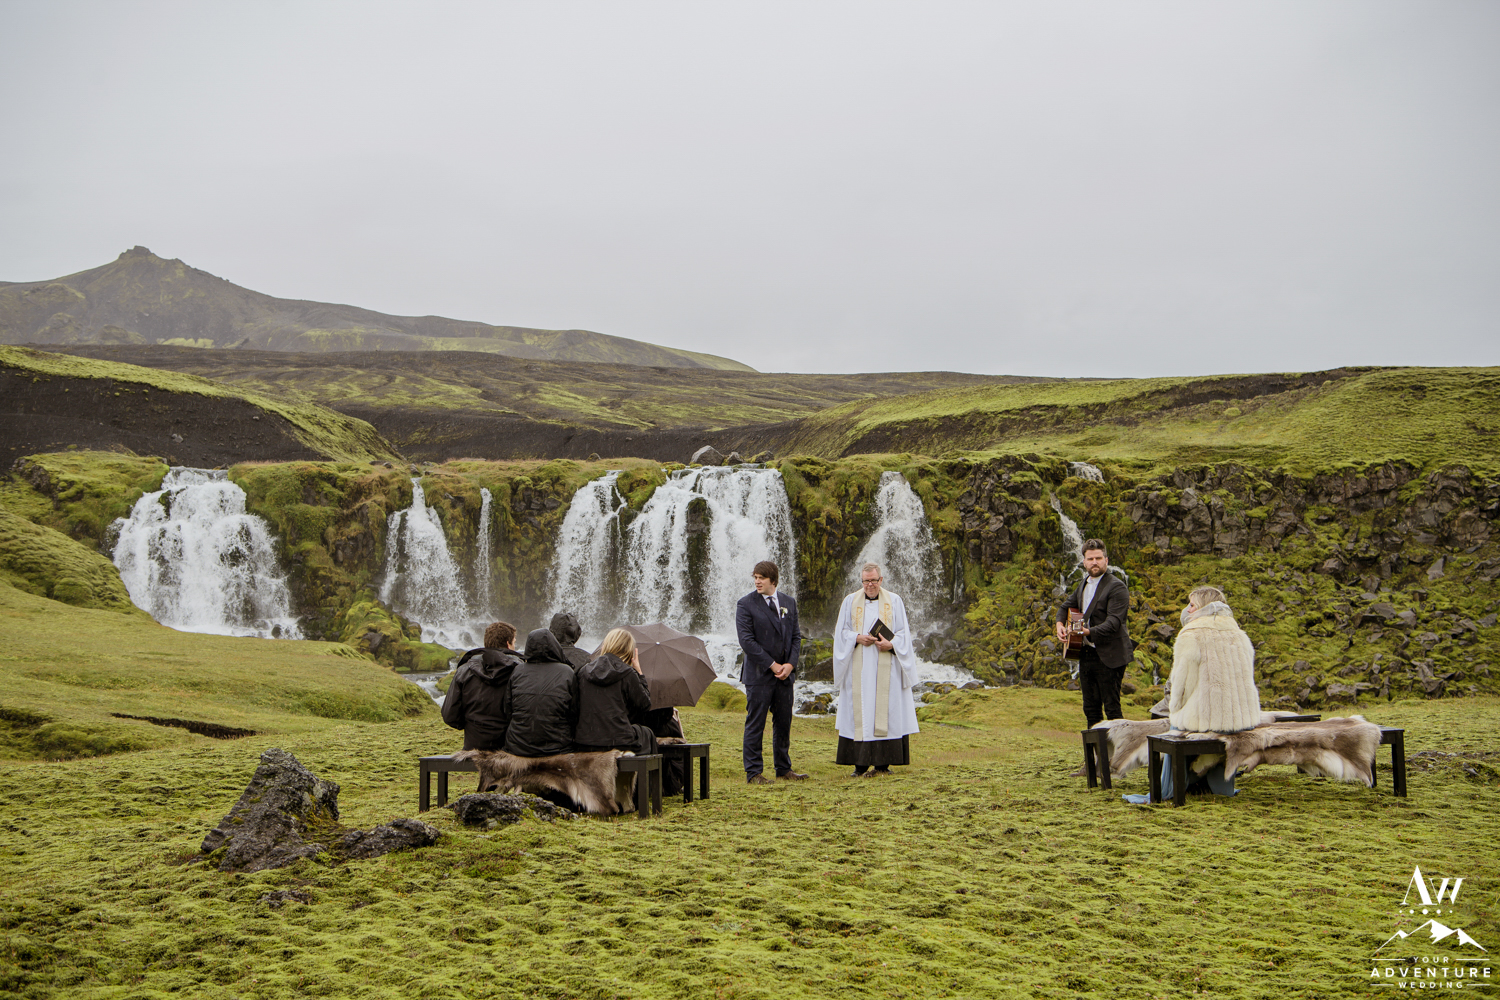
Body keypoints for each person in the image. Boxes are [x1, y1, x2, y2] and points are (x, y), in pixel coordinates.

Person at [1162, 586, 1261, 797]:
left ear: (1203, 608)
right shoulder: (1240, 635)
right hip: (1242, 720)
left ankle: (1172, 786)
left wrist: (1175, 710)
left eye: (1192, 605)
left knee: (1175, 723)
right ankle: (1217, 783)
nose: (1187, 610)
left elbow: (1181, 687)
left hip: (1206, 720)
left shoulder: (1191, 634)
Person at [831, 562, 921, 776]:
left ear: (881, 580)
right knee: (861, 713)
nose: (870, 584)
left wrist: (891, 644)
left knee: (886, 712)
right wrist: (857, 637)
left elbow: (904, 634)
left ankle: (883, 765)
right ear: (861, 581)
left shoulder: (895, 601)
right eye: (866, 581)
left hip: (886, 668)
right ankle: (859, 766)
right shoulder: (849, 601)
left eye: (873, 580)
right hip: (859, 669)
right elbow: (841, 631)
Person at [735, 560, 807, 783]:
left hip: (785, 676)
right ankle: (754, 772)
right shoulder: (745, 604)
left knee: (784, 722)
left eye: (762, 578)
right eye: (755, 577)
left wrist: (790, 665)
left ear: (773, 580)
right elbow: (746, 641)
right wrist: (773, 665)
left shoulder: (789, 602)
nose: (757, 581)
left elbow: (796, 637)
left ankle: (784, 769)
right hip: (759, 675)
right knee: (756, 723)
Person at [1054, 538, 1134, 727]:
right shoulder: (1083, 585)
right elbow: (1065, 607)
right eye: (1090, 559)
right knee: (1090, 709)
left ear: (1106, 560)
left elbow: (1114, 623)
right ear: (1084, 562)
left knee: (1112, 709)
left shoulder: (1117, 587)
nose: (1094, 562)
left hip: (1111, 654)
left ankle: (1118, 756)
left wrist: (1087, 631)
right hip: (1087, 653)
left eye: (1098, 558)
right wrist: (1059, 625)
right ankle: (1095, 756)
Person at [573, 627, 658, 757]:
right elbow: (644, 705)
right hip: (618, 740)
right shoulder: (628, 673)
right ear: (629, 650)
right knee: (647, 734)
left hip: (586, 741)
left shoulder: (583, 671)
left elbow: (576, 707)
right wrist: (640, 673)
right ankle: (648, 776)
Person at [441, 621, 522, 750]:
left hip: (474, 748)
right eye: (514, 642)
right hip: (511, 749)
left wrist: (474, 726)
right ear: (508, 644)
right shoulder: (521, 671)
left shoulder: (465, 670)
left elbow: (450, 715)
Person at [503, 628, 580, 759]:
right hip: (557, 748)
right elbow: (574, 713)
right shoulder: (566, 672)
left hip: (519, 747)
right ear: (554, 646)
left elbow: (507, 709)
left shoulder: (518, 670)